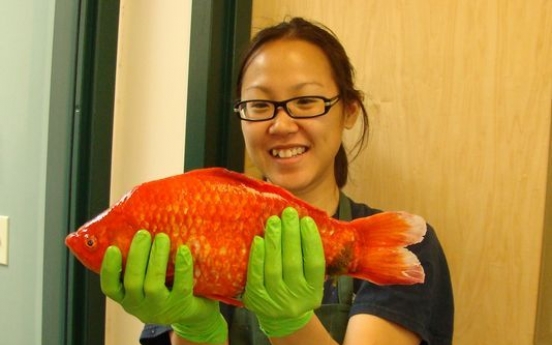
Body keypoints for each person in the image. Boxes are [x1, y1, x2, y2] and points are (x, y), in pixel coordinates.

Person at [100, 17, 454, 345]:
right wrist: (195, 328)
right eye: (259, 104)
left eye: (305, 101)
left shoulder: (404, 251)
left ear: (349, 110)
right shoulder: (187, 229)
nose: (282, 125)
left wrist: (291, 322)